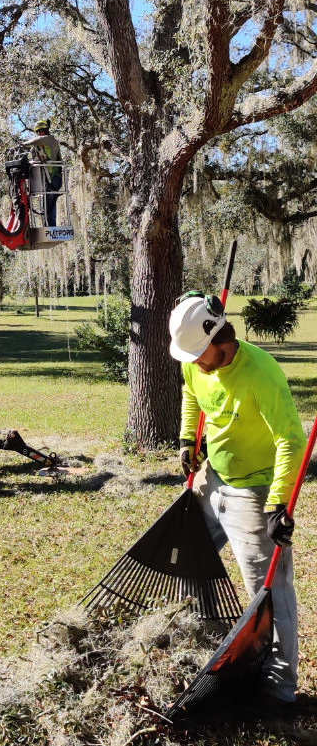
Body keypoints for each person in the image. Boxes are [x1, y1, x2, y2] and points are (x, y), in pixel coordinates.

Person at [169, 291, 306, 705]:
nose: (192, 362)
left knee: (270, 594)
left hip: (255, 490)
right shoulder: (196, 363)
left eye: (198, 353)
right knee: (189, 559)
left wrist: (278, 502)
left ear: (221, 341)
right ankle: (209, 639)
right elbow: (192, 394)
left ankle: (280, 689)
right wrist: (186, 437)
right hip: (212, 480)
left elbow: (291, 439)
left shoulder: (261, 373)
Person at [21, 118, 62, 226]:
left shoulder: (48, 139)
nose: (39, 133)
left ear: (46, 130)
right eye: (38, 132)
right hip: (50, 176)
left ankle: (49, 226)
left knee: (49, 201)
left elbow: (32, 142)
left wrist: (21, 144)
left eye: (41, 131)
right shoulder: (45, 143)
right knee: (49, 202)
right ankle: (49, 225)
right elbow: (34, 152)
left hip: (53, 176)